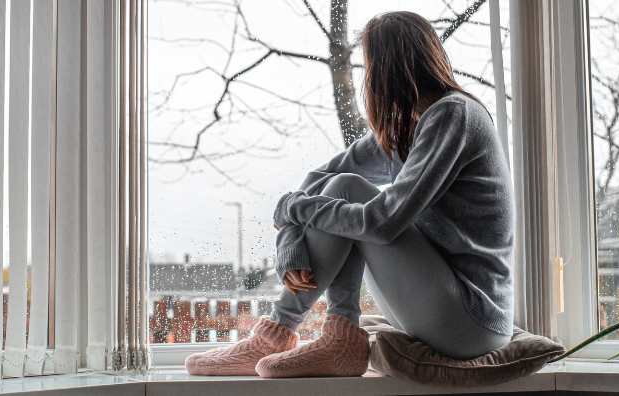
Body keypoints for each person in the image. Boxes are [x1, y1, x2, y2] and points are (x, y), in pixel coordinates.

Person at [185, 11, 514, 378]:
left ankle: (283, 331)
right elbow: (318, 180)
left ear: (386, 68)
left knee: (348, 192)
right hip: (438, 303)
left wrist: (292, 210)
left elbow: (383, 223)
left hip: (473, 320)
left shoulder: (454, 116)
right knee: (340, 188)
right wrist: (290, 239)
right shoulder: (406, 128)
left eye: (369, 66)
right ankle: (318, 338)